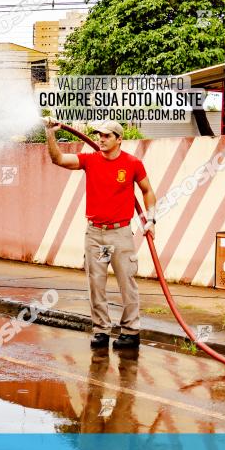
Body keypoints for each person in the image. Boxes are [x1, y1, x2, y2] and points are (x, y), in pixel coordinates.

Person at [44, 119, 157, 350]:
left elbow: (147, 191)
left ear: (118, 139)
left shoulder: (132, 163)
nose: (101, 139)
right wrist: (50, 135)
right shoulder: (90, 160)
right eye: (99, 135)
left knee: (127, 282)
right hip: (95, 234)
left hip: (120, 233)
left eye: (106, 136)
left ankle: (131, 331)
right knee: (96, 284)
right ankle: (101, 331)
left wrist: (151, 219)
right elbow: (58, 159)